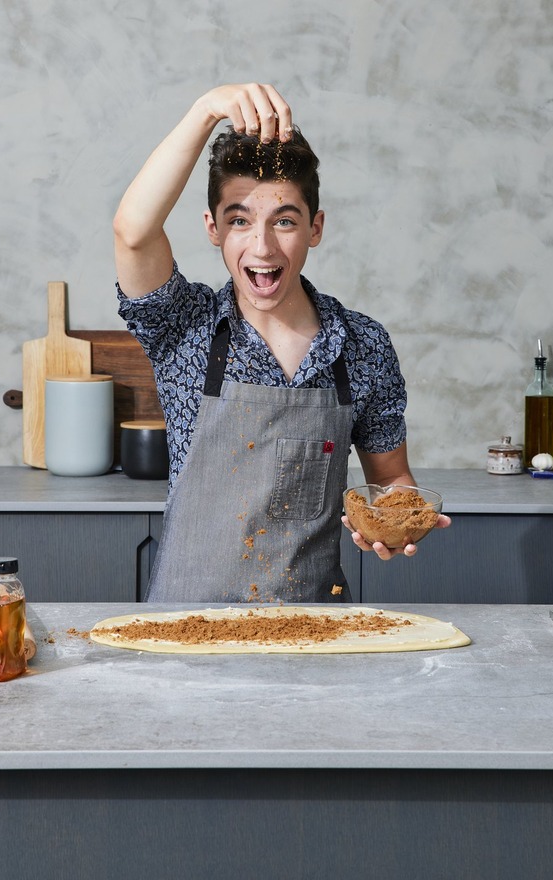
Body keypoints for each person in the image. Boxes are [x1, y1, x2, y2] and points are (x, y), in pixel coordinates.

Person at [113, 83, 451, 603]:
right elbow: (133, 232)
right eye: (240, 221)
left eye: (285, 221)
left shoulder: (361, 344)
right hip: (185, 632)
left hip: (313, 633)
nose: (262, 246)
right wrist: (206, 111)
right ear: (213, 228)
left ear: (315, 228)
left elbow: (391, 478)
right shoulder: (186, 327)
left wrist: (395, 517)